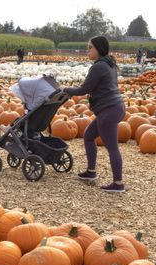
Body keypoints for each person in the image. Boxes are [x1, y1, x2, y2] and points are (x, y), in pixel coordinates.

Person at [61, 36, 126, 193]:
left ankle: (118, 183)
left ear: (98, 49)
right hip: (115, 107)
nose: (87, 50)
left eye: (90, 47)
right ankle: (91, 172)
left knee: (112, 148)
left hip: (109, 110)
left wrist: (65, 89)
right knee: (89, 136)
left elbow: (84, 89)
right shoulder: (109, 64)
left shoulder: (99, 66)